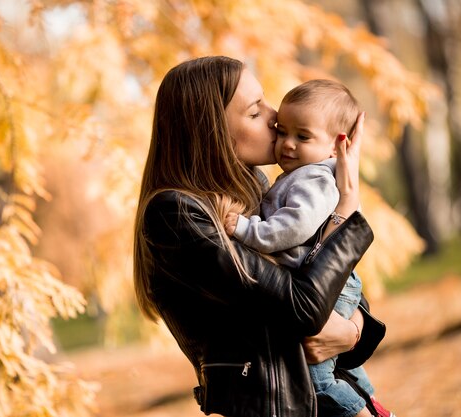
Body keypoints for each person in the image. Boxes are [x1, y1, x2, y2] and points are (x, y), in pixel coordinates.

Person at [133, 56, 386, 417]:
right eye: (255, 112)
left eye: (265, 100)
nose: (275, 117)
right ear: (212, 132)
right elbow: (306, 306)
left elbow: (328, 283)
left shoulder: (258, 188)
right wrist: (346, 206)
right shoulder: (177, 215)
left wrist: (353, 330)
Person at [223, 79, 390, 417]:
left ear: (335, 147)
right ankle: (371, 400)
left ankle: (360, 412)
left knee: (316, 380)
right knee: (338, 362)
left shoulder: (314, 180)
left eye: (302, 136)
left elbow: (292, 227)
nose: (286, 144)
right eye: (282, 132)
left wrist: (243, 227)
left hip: (329, 284)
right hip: (327, 280)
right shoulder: (298, 174)